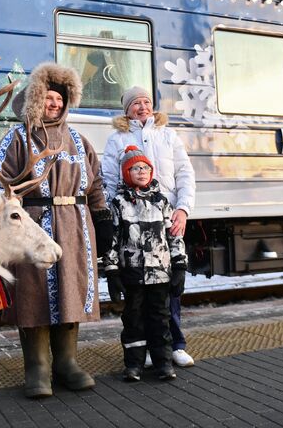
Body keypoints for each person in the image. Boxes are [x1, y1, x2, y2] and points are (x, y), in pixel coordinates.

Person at [0, 61, 112, 398]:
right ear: (37, 100)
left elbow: (95, 184)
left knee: (71, 290)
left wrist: (102, 217)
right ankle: (37, 368)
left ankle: (67, 364)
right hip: (32, 227)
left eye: (60, 100)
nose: (55, 104)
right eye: (49, 99)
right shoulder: (17, 138)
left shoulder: (79, 141)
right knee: (33, 296)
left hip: (74, 226)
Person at [102, 86, 196, 368]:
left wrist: (182, 209)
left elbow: (184, 172)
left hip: (164, 219)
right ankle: (141, 349)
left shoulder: (168, 135)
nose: (142, 107)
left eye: (146, 102)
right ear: (127, 109)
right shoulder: (117, 139)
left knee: (167, 286)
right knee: (137, 295)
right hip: (130, 221)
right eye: (135, 103)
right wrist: (112, 215)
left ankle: (174, 345)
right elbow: (107, 179)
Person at [104, 146, 187, 381]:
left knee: (160, 318)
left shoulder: (162, 202)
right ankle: (134, 365)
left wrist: (180, 267)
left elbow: (174, 237)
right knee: (133, 319)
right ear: (126, 173)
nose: (141, 171)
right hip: (132, 274)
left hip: (160, 274)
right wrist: (112, 271)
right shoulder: (119, 203)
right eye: (135, 168)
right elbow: (112, 240)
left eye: (146, 168)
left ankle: (163, 363)